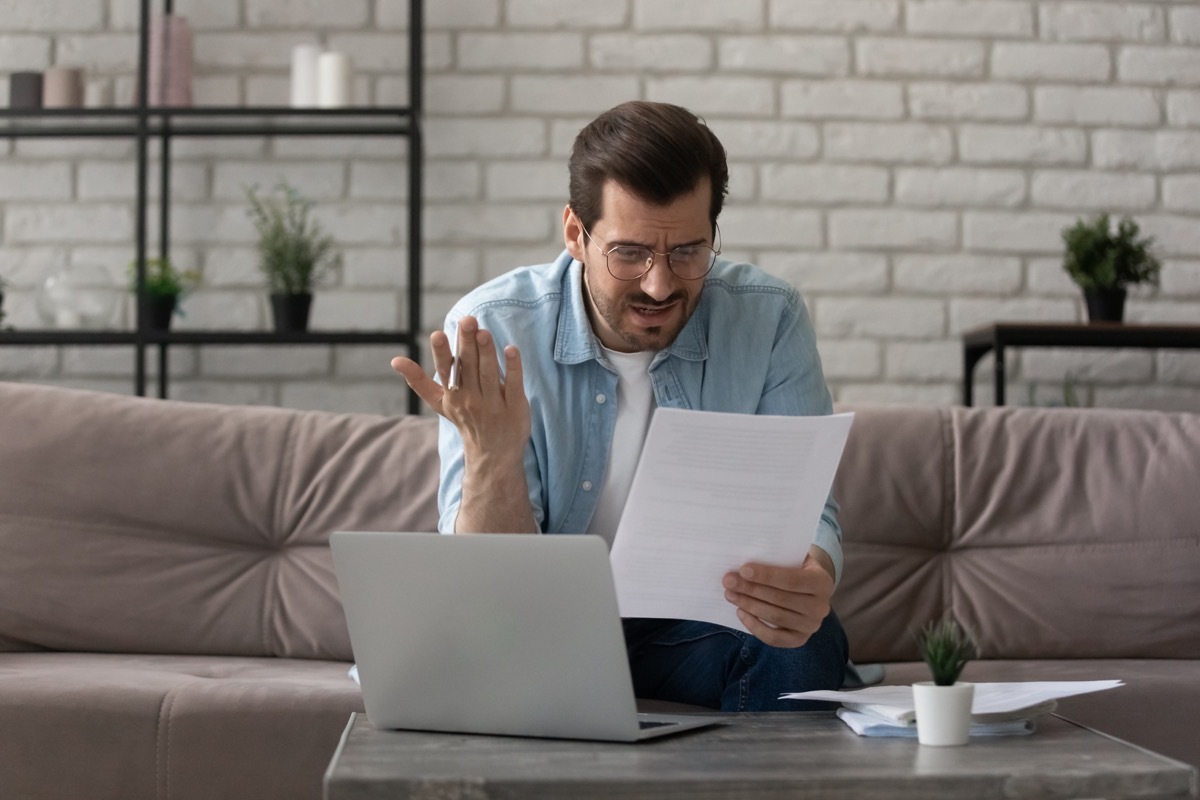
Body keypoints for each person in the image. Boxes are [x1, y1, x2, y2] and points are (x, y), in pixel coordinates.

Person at [392, 100, 848, 711]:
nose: (660, 285)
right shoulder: (495, 329)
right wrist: (492, 458)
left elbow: (810, 506)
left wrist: (811, 578)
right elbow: (488, 587)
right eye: (629, 253)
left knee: (808, 647)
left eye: (687, 251)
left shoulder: (768, 318)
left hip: (694, 633)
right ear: (577, 234)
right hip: (538, 635)